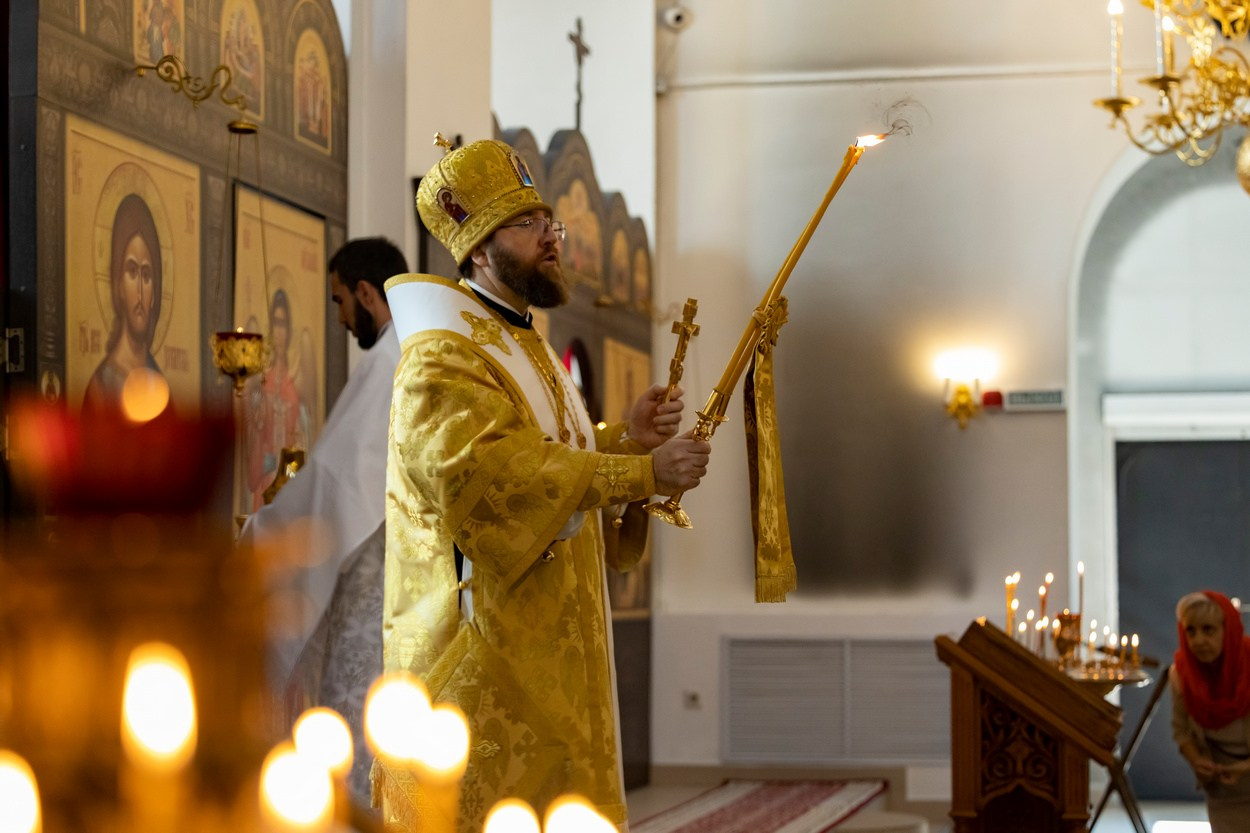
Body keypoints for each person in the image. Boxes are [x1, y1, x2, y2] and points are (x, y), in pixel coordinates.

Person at [377, 139, 711, 833]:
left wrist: (626, 435)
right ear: (476, 249)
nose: (551, 238)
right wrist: (645, 472)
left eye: (549, 222)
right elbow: (499, 477)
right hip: (483, 663)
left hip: (551, 653)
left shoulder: (521, 341)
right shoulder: (442, 359)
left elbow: (555, 450)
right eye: (528, 225)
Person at [240, 237, 408, 801]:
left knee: (356, 716)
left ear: (366, 292)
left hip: (374, 570)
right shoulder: (429, 347)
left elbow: (336, 482)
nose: (340, 318)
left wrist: (261, 530)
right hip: (414, 576)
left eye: (340, 301)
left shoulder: (388, 359)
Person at [1171, 590, 1250, 830]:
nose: (1198, 640)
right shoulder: (1181, 675)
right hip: (1222, 793)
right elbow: (1180, 731)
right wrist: (1197, 761)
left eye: (1209, 629)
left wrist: (1245, 768)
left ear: (1229, 632)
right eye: (1190, 631)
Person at [83, 193, 165, 414]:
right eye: (131, 271)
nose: (139, 291)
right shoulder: (101, 388)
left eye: (146, 276)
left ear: (155, 293)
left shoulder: (161, 386)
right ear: (118, 284)